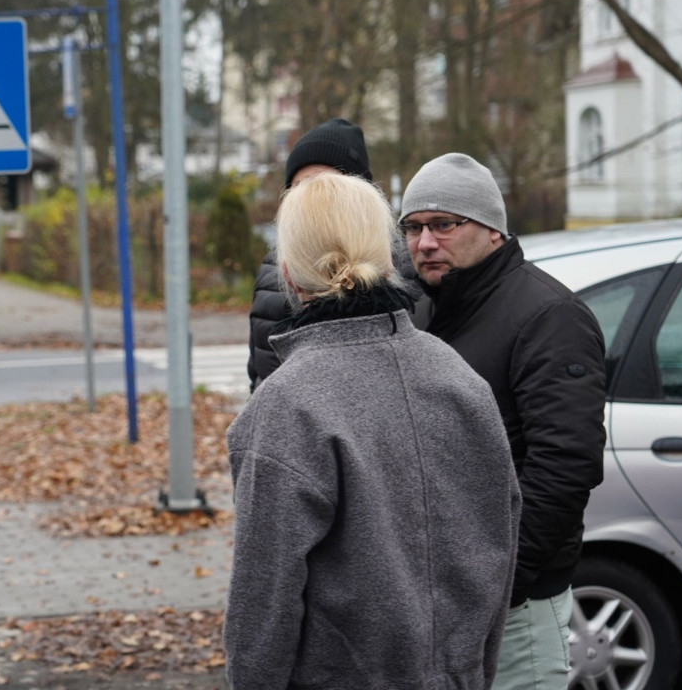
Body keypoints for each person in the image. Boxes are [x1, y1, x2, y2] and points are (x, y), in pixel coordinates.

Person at [225, 172, 521, 690]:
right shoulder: (463, 381)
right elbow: (498, 558)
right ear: (389, 262)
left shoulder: (285, 407)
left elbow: (262, 610)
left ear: (288, 274)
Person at [399, 152, 607, 690]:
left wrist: (503, 583)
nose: (425, 242)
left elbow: (565, 465)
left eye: (444, 224)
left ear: (492, 229)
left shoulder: (548, 315)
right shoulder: (424, 311)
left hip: (516, 608)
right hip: (441, 600)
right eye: (414, 227)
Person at [247, 117, 416, 391]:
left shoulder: (399, 268)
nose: (312, 199)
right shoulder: (272, 272)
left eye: (327, 186)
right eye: (299, 187)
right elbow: (260, 373)